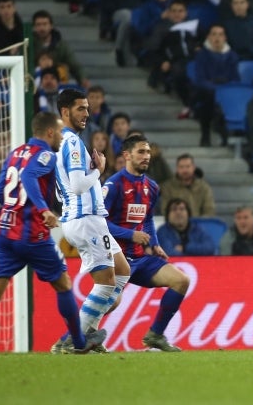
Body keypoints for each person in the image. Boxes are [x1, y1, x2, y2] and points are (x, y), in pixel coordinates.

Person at [0, 112, 106, 353]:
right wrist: (43, 210)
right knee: (64, 284)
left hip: (3, 232)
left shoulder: (15, 154)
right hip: (32, 234)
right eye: (59, 135)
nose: (61, 141)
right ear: (50, 132)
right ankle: (78, 343)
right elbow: (29, 176)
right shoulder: (46, 155)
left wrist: (13, 211)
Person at [51, 89, 131, 353]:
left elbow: (59, 187)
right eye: (80, 108)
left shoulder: (62, 142)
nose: (87, 113)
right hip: (85, 218)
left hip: (89, 218)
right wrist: (99, 170)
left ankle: (90, 332)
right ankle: (74, 341)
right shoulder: (71, 142)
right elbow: (75, 185)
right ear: (65, 112)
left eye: (87, 108)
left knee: (122, 271)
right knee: (107, 282)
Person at [101, 134, 187, 351]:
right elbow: (99, 222)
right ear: (126, 155)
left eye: (148, 152)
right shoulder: (113, 185)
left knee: (181, 281)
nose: (146, 156)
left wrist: (155, 243)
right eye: (141, 151)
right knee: (111, 301)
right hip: (116, 258)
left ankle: (155, 335)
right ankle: (73, 336)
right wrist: (131, 235)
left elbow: (147, 219)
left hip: (140, 257)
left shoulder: (152, 187)